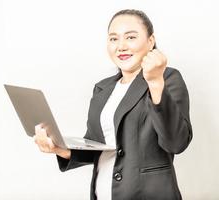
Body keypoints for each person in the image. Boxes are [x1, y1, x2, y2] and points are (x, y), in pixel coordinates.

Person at [33, 9, 192, 200]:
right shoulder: (103, 89)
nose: (121, 46)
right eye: (113, 39)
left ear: (150, 41)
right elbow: (98, 149)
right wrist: (58, 148)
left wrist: (156, 82)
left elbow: (176, 142)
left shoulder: (168, 78)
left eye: (131, 37)